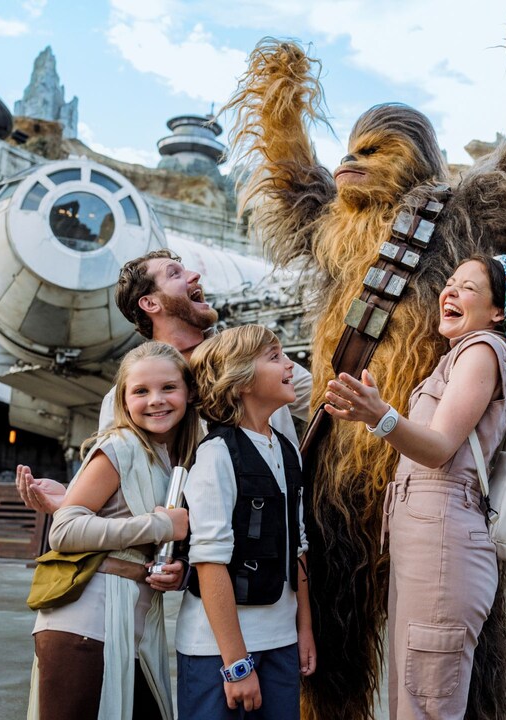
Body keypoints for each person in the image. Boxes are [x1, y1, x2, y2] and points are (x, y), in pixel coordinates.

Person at [221, 4, 506, 715]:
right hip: (342, 475)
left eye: (374, 150)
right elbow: (290, 176)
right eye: (350, 147)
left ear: (417, 159)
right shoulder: (332, 226)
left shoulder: (462, 212)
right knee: (331, 661)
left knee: (456, 666)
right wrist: (282, 94)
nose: (351, 161)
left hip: (440, 490)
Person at [324, 255, 506, 720]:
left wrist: (379, 415)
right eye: (449, 283)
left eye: (467, 287)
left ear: (497, 311)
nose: (449, 292)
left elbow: (438, 448)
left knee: (425, 704)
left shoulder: (482, 351)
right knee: (415, 696)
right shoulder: (462, 355)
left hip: (444, 543)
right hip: (431, 540)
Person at [17, 249, 312, 590]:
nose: (194, 276)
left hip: (292, 551)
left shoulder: (251, 356)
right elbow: (139, 491)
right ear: (150, 304)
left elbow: (328, 398)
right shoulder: (124, 399)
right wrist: (76, 498)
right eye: (175, 274)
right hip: (213, 575)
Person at [26, 341, 200, 720]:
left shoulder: (175, 457)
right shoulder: (119, 446)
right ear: (124, 400)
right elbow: (64, 530)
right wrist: (159, 525)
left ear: (188, 391)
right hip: (84, 626)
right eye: (141, 391)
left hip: (132, 626)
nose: (156, 400)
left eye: (168, 387)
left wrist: (178, 571)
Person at [179, 325, 316, 719]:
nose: (291, 365)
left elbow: (299, 546)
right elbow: (208, 562)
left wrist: (302, 630)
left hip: (282, 644)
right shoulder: (217, 454)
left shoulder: (287, 450)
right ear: (239, 380)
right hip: (217, 655)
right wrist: (237, 664)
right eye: (274, 357)